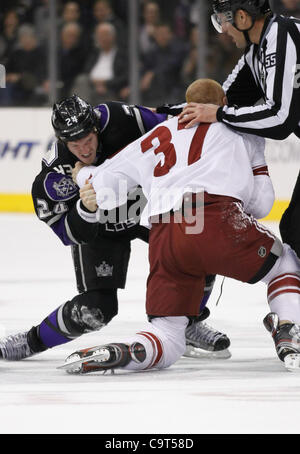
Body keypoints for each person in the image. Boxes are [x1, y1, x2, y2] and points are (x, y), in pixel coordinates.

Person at [58, 79, 300, 375]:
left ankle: (128, 351)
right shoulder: (242, 128)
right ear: (222, 103)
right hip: (213, 217)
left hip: (165, 233)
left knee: (168, 333)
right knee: (285, 262)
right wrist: (253, 171)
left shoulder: (159, 133)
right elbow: (262, 204)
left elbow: (105, 185)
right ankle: (288, 326)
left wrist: (83, 174)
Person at [0, 94, 229, 362]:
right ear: (63, 142)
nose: (84, 151)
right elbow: (69, 234)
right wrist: (86, 209)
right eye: (75, 145)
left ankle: (189, 323)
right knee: (96, 310)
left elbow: (173, 124)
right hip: (101, 229)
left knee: (200, 248)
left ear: (96, 128)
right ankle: (32, 340)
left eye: (88, 140)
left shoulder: (121, 119)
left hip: (147, 209)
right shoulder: (54, 177)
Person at [161, 0, 300, 261]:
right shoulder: (256, 52)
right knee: (295, 227)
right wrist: (159, 113)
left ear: (243, 17)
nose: (223, 29)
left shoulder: (282, 36)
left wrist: (219, 115)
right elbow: (219, 102)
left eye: (224, 19)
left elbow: (280, 118)